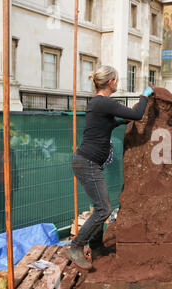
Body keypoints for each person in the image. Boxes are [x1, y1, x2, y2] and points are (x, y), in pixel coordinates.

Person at [66, 65, 154, 270]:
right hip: (87, 163)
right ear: (111, 82)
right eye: (117, 79)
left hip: (87, 162)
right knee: (103, 208)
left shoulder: (98, 104)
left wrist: (119, 121)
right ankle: (76, 247)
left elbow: (105, 125)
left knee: (100, 207)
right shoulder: (103, 102)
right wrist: (145, 95)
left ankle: (96, 247)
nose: (118, 82)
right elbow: (139, 114)